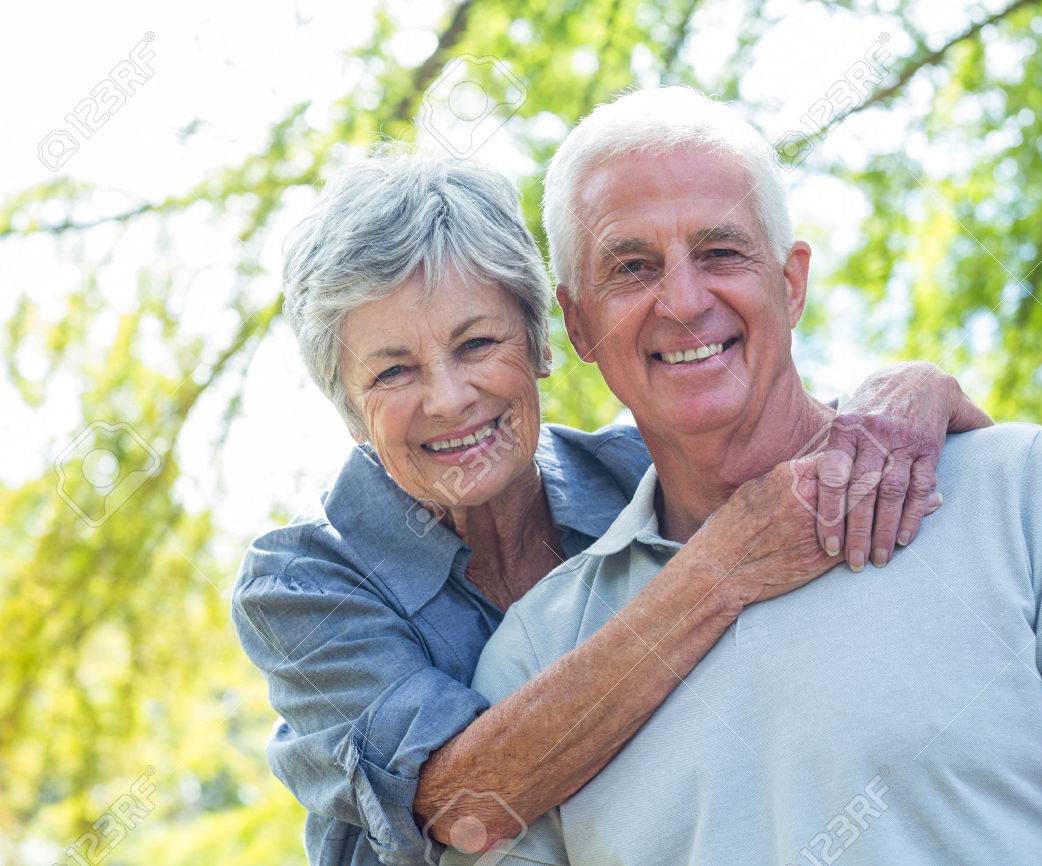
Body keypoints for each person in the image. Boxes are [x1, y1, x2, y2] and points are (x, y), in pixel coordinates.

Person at [448, 86, 1042, 866]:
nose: (682, 300)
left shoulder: (1022, 494)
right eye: (632, 267)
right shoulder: (534, 657)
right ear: (577, 325)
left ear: (793, 282)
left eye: (720, 252)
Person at [231, 152, 992, 864]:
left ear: (542, 345)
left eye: (476, 345)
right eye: (394, 372)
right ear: (350, 410)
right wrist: (720, 569)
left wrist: (913, 389)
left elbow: (820, 448)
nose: (449, 399)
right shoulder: (300, 584)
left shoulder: (637, 471)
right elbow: (465, 808)